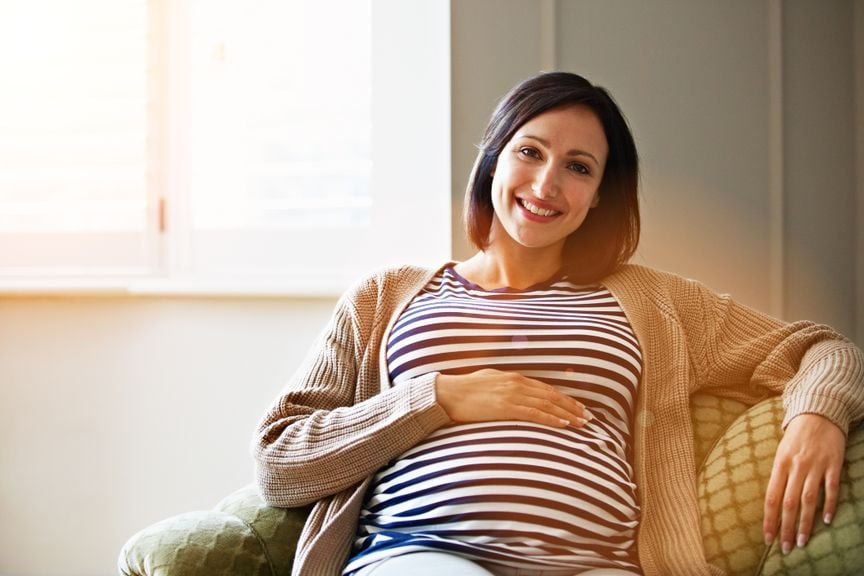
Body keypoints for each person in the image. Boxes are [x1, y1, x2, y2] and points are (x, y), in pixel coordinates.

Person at [252, 72, 864, 576]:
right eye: (530, 151)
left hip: (596, 566)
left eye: (578, 167)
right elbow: (280, 462)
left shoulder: (653, 302)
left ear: (599, 194)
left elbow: (821, 348)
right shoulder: (384, 298)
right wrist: (438, 396)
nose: (547, 183)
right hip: (420, 556)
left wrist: (817, 417)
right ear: (493, 159)